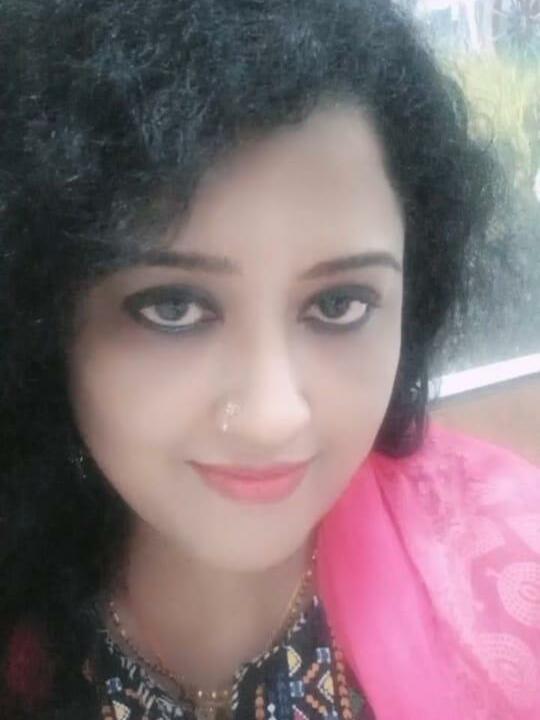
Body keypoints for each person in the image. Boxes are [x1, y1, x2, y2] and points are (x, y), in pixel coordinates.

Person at [0, 1, 538, 719]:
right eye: (173, 307)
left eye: (340, 304)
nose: (270, 416)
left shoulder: (513, 572)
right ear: (45, 311)